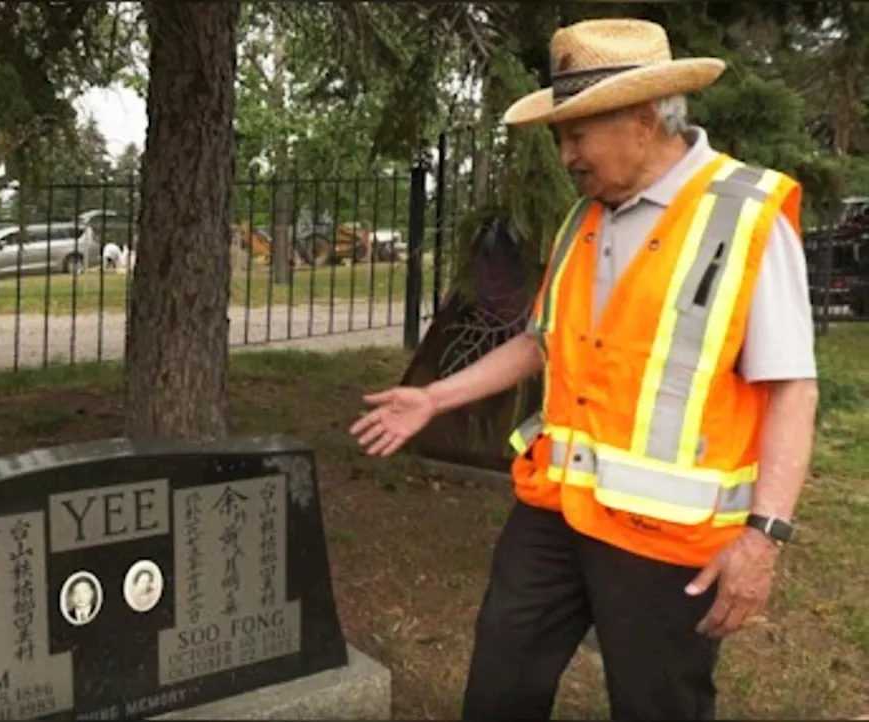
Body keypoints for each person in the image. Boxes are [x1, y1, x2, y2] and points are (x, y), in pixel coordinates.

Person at [349, 18, 819, 722]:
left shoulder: (745, 217)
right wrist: (432, 398)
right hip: (556, 512)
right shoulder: (582, 219)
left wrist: (764, 538)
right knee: (499, 680)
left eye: (578, 134)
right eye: (559, 135)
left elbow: (792, 388)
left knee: (656, 704)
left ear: (642, 118)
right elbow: (541, 341)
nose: (565, 154)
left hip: (668, 538)